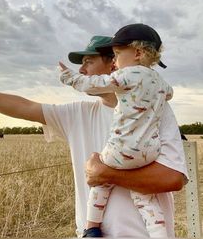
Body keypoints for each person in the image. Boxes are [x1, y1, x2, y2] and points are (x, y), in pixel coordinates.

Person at [0, 34, 188, 238]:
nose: (81, 70)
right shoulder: (78, 113)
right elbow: (23, 106)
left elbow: (172, 178)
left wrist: (105, 173)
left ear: (114, 64)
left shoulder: (157, 111)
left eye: (88, 62)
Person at [59, 24, 173, 237]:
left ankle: (91, 227)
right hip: (149, 153)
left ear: (137, 53)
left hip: (123, 149)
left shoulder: (128, 74)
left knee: (100, 179)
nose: (115, 61)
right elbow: (169, 94)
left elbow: (94, 84)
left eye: (118, 54)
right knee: (144, 197)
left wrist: (68, 77)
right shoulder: (160, 81)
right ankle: (159, 234)